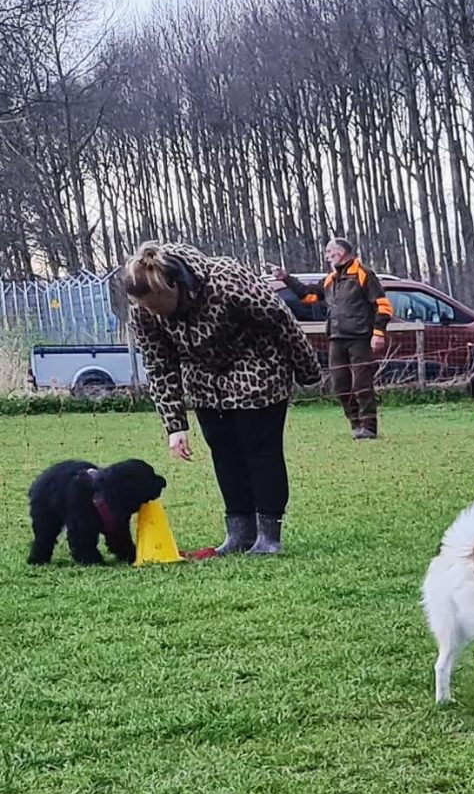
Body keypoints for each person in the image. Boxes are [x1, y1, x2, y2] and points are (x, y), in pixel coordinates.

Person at [124, 241, 321, 557]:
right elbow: (159, 364)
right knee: (224, 453)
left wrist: (307, 370)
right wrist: (175, 426)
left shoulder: (225, 280)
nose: (151, 313)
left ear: (172, 286)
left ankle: (269, 536)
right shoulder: (144, 312)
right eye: (144, 307)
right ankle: (239, 533)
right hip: (204, 382)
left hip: (258, 368)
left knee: (261, 451)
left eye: (155, 304)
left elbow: (279, 319)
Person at [310, 236, 393, 439]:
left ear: (341, 253)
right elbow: (309, 296)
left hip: (360, 339)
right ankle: (355, 423)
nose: (327, 255)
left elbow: (383, 306)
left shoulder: (364, 274)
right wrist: (285, 277)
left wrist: (378, 333)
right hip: (336, 339)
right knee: (340, 385)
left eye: (330, 251)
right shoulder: (331, 279)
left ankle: (369, 427)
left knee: (362, 384)